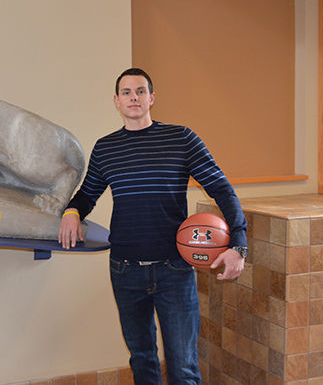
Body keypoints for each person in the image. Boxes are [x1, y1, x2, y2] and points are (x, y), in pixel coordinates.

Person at [58, 68, 247, 385]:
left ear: (152, 98)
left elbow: (222, 190)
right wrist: (71, 212)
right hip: (125, 270)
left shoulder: (181, 138)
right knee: (142, 361)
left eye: (141, 91)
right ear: (116, 101)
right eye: (127, 92)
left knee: (183, 366)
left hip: (174, 270)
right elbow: (87, 194)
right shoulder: (106, 148)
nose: (134, 97)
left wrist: (238, 245)